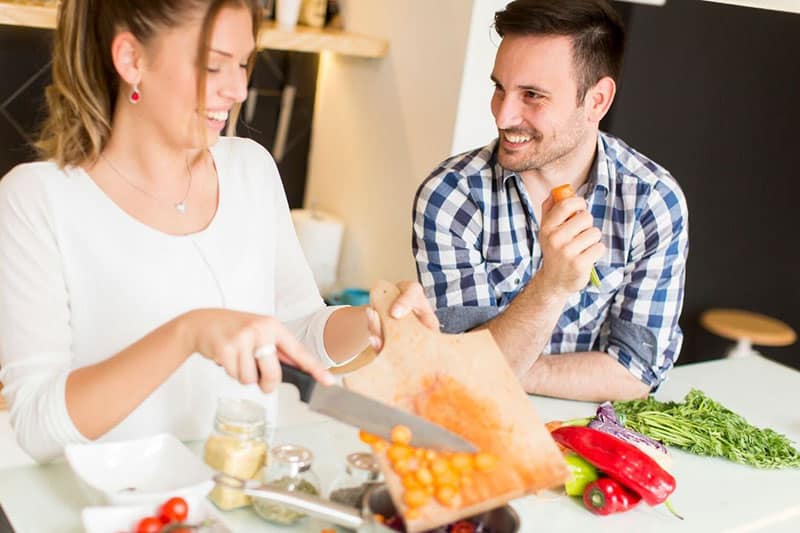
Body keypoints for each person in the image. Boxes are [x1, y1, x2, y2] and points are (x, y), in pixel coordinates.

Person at [0, 0, 435, 464]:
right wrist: (187, 333)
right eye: (214, 66)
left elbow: (298, 328)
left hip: (238, 492)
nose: (239, 89)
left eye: (245, 63)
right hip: (109, 506)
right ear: (132, 59)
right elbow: (34, 426)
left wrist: (371, 323)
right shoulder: (37, 199)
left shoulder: (251, 168)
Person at [413, 0, 689, 402]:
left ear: (597, 100)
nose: (503, 115)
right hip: (471, 423)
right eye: (499, 88)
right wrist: (551, 287)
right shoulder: (452, 197)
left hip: (589, 435)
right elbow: (465, 374)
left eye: (533, 96)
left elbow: (636, 373)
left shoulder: (651, 202)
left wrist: (511, 364)